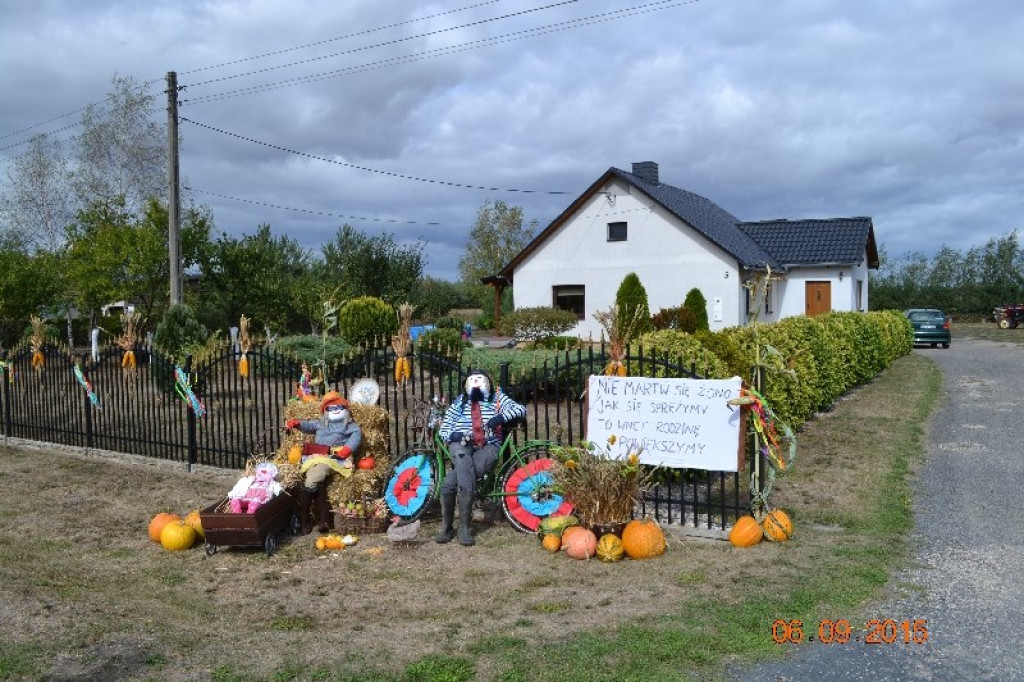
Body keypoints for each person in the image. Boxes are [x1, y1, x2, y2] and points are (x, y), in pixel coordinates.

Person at [436, 369, 526, 546]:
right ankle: (450, 527)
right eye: (472, 379)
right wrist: (452, 435)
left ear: (488, 382)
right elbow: (445, 425)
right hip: (461, 443)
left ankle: (462, 527)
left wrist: (499, 418)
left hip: (488, 445)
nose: (476, 382)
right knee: (464, 473)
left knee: (449, 482)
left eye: (480, 378)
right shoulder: (461, 401)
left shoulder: (497, 398)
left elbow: (520, 409)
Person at [285, 390, 362, 534]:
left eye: (339, 407)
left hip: (336, 457)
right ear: (325, 411)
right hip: (317, 455)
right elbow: (308, 426)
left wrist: (346, 450)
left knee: (312, 479)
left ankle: (304, 520)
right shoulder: (321, 423)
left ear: (345, 410)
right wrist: (297, 423)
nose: (336, 410)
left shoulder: (350, 425)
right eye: (331, 408)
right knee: (315, 480)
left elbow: (356, 435)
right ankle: (324, 521)